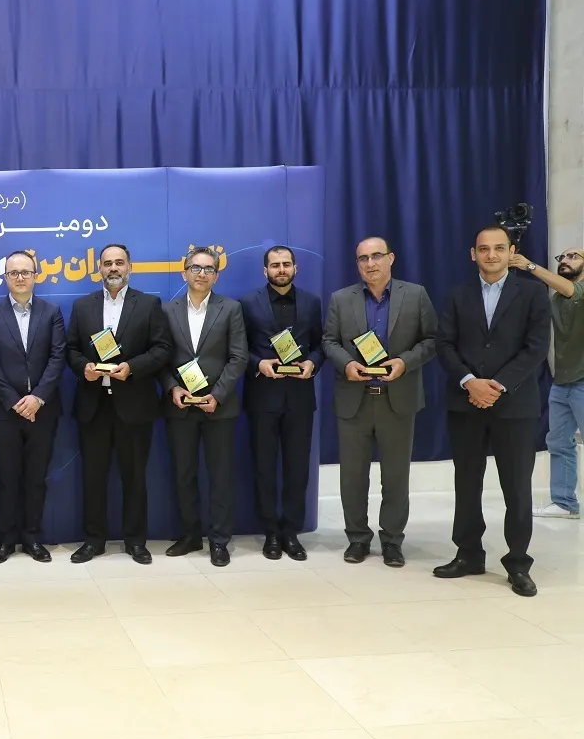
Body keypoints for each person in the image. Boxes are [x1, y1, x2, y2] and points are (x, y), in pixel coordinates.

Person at [434, 225, 551, 597]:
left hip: (514, 405)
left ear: (511, 252)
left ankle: (518, 563)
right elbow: (444, 344)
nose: (491, 255)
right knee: (467, 483)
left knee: (516, 486)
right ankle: (468, 554)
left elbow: (536, 348)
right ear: (474, 254)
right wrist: (470, 382)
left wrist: (497, 385)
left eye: (499, 248)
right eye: (483, 249)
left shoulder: (533, 293)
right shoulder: (457, 295)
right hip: (466, 402)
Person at [321, 237, 437, 568]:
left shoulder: (415, 295)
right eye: (363, 258)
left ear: (391, 258)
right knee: (352, 477)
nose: (370, 263)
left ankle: (392, 540)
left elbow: (432, 340)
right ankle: (357, 538)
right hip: (354, 400)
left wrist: (405, 362)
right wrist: (347, 364)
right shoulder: (341, 299)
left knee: (395, 477)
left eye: (376, 256)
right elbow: (328, 341)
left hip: (397, 400)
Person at [65, 243, 171, 565]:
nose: (113, 268)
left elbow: (162, 349)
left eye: (119, 262)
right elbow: (71, 349)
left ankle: (136, 542)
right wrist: (83, 367)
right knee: (93, 478)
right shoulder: (82, 306)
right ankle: (93, 541)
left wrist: (132, 368)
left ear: (129, 267)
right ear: (99, 268)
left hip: (134, 404)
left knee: (135, 477)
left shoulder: (149, 304)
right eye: (108, 263)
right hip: (93, 405)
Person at [159, 247, 248, 566]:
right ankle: (190, 535)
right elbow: (160, 357)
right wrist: (172, 387)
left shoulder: (231, 308)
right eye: (196, 268)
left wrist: (218, 394)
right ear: (184, 272)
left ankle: (220, 540)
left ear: (217, 276)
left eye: (209, 269)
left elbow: (239, 356)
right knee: (183, 474)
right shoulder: (166, 310)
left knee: (220, 476)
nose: (202, 274)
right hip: (180, 406)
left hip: (218, 407)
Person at [0, 250, 67, 563]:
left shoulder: (52, 312)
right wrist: (14, 401)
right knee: (7, 478)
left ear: (35, 276)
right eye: (13, 273)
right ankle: (5, 540)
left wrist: (37, 397)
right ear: (5, 277)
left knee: (35, 478)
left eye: (25, 272)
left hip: (43, 409)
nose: (19, 277)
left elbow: (58, 357)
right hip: (5, 411)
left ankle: (32, 538)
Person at [238, 245, 325, 560]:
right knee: (264, 468)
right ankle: (271, 533)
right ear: (265, 271)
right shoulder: (247, 302)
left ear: (295, 268)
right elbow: (239, 347)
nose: (281, 269)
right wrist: (258, 363)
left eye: (286, 264)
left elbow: (321, 344)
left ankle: (291, 532)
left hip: (300, 397)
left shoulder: (312, 302)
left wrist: (313, 362)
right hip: (262, 397)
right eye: (275, 265)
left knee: (297, 469)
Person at [510, 246, 584, 519]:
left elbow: (571, 290)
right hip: (562, 381)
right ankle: (564, 503)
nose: (565, 260)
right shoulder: (556, 298)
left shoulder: (576, 291)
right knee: (559, 442)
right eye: (562, 257)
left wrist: (529, 266)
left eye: (573, 256)